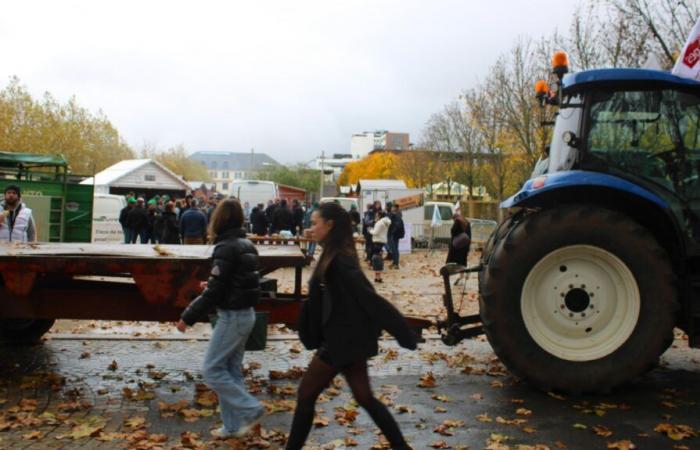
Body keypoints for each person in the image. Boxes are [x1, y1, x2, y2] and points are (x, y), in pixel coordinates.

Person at [286, 202, 416, 450]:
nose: (311, 228)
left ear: (330, 225)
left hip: (340, 343)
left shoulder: (340, 260)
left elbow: (371, 299)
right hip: (349, 340)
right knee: (365, 397)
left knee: (305, 395)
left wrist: (403, 333)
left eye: (315, 223)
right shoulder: (332, 253)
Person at [176, 198, 264, 439]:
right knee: (231, 370)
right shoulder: (246, 244)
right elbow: (241, 282)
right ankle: (232, 427)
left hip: (232, 318)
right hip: (246, 315)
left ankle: (250, 409)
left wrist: (187, 318)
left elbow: (215, 292)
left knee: (212, 370)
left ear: (219, 219)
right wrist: (213, 283)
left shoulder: (225, 247)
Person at [369, 210, 391, 283]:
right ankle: (377, 277)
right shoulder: (385, 222)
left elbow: (375, 232)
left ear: (379, 216)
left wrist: (370, 230)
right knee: (378, 259)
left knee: (376, 259)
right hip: (382, 241)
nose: (375, 216)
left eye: (376, 215)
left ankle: (378, 277)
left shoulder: (379, 223)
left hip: (377, 241)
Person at [388, 204, 405, 269]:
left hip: (395, 235)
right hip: (395, 234)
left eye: (392, 207)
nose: (391, 208)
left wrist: (392, 232)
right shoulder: (396, 214)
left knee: (395, 249)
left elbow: (397, 225)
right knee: (394, 249)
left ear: (395, 208)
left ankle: (396, 263)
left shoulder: (397, 215)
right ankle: (394, 262)